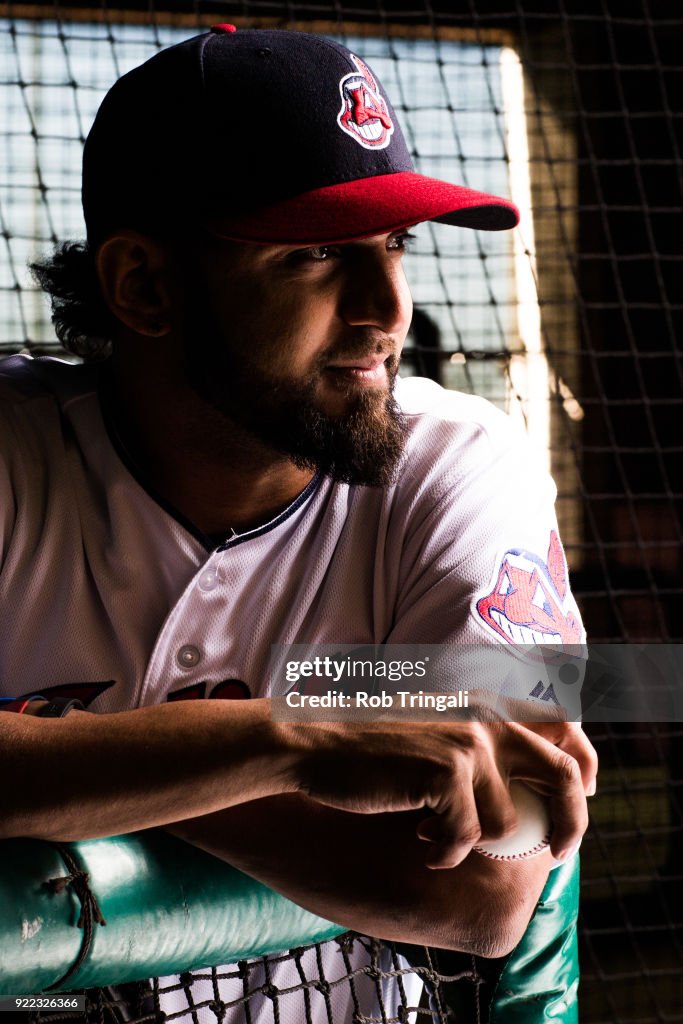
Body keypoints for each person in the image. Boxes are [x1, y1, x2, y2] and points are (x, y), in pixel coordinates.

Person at [0, 25, 596, 1023]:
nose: (385, 309)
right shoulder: (14, 460)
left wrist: (71, 767)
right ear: (145, 284)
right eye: (313, 255)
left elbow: (484, 896)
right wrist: (284, 741)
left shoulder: (457, 469)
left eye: (394, 245)